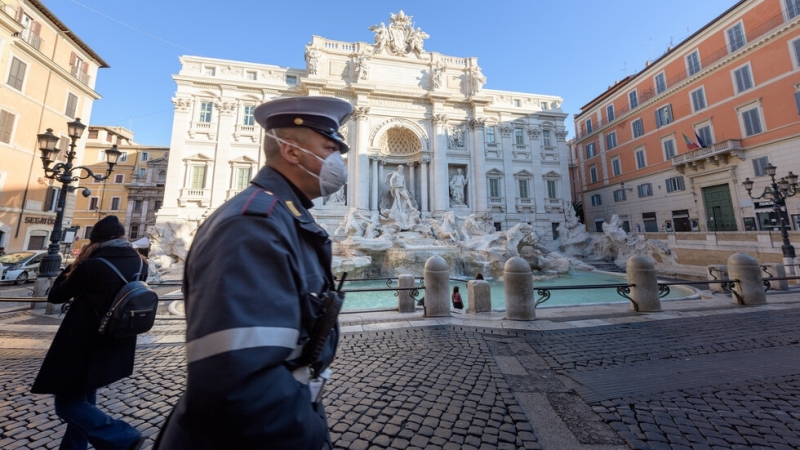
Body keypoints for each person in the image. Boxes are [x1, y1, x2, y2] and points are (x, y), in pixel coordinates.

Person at [155, 96, 352, 449]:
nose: (339, 160)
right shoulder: (252, 225)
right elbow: (242, 382)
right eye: (330, 147)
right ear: (292, 152)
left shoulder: (283, 216)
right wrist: (311, 436)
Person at [31, 215, 147, 450]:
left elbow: (56, 296)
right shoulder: (141, 263)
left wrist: (72, 267)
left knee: (68, 405)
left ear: (95, 241)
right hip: (114, 341)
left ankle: (122, 436)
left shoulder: (91, 265)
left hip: (81, 342)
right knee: (85, 398)